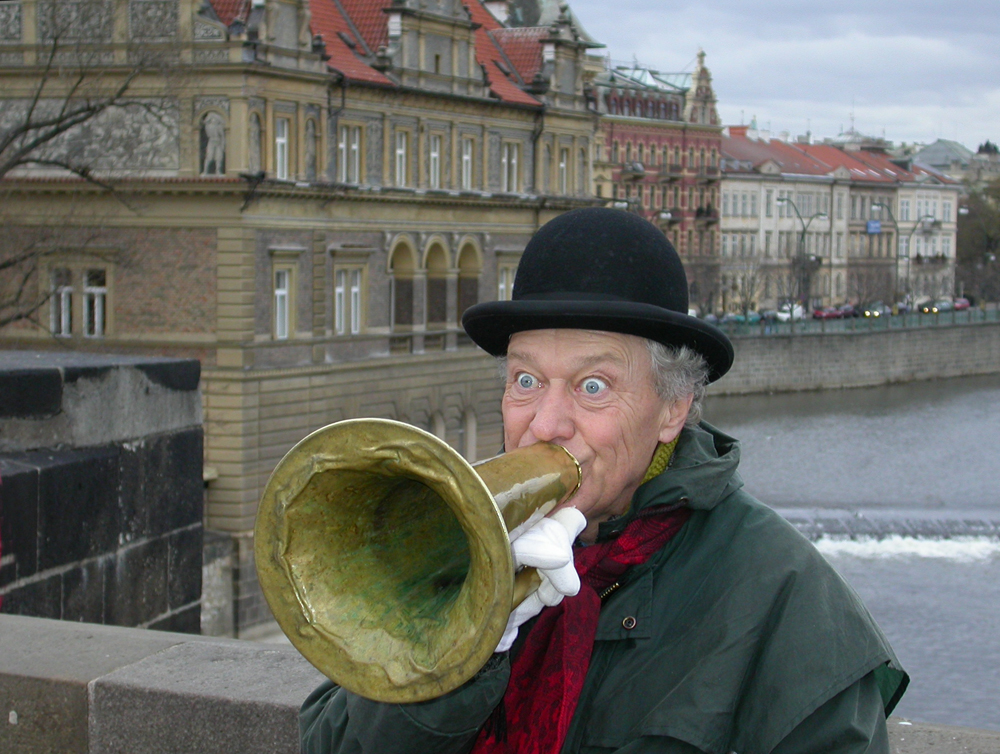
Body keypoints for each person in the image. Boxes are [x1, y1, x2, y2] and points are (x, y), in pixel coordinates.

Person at [299, 207, 907, 754]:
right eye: (527, 380)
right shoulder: (455, 545)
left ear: (672, 408)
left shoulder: (786, 594)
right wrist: (465, 642)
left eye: (594, 386)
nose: (545, 424)